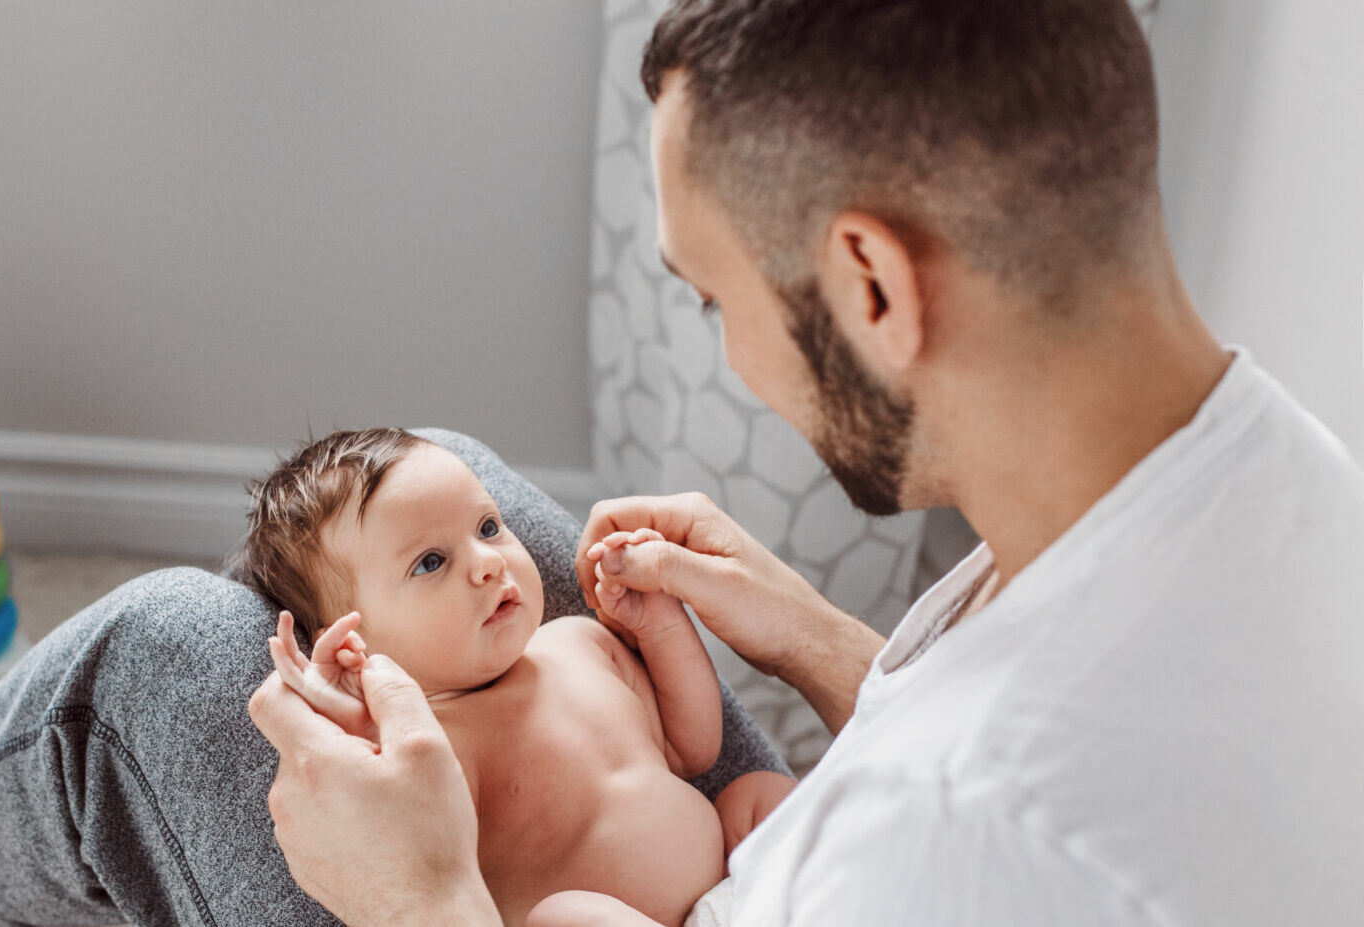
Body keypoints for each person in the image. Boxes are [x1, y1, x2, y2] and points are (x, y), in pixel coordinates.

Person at [246, 0, 1364, 925]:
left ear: (871, 285)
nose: (729, 354)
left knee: (156, 648)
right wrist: (822, 643)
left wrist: (423, 898)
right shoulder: (1289, 488)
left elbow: (971, 814)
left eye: (713, 297)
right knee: (451, 468)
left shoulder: (963, 839)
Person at [235, 427, 797, 925]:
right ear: (355, 642)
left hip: (744, 891)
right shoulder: (430, 747)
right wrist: (351, 718)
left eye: (488, 526)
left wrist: (660, 624)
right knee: (564, 916)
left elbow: (690, 749)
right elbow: (400, 843)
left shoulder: (581, 640)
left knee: (759, 795)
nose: (488, 561)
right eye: (431, 562)